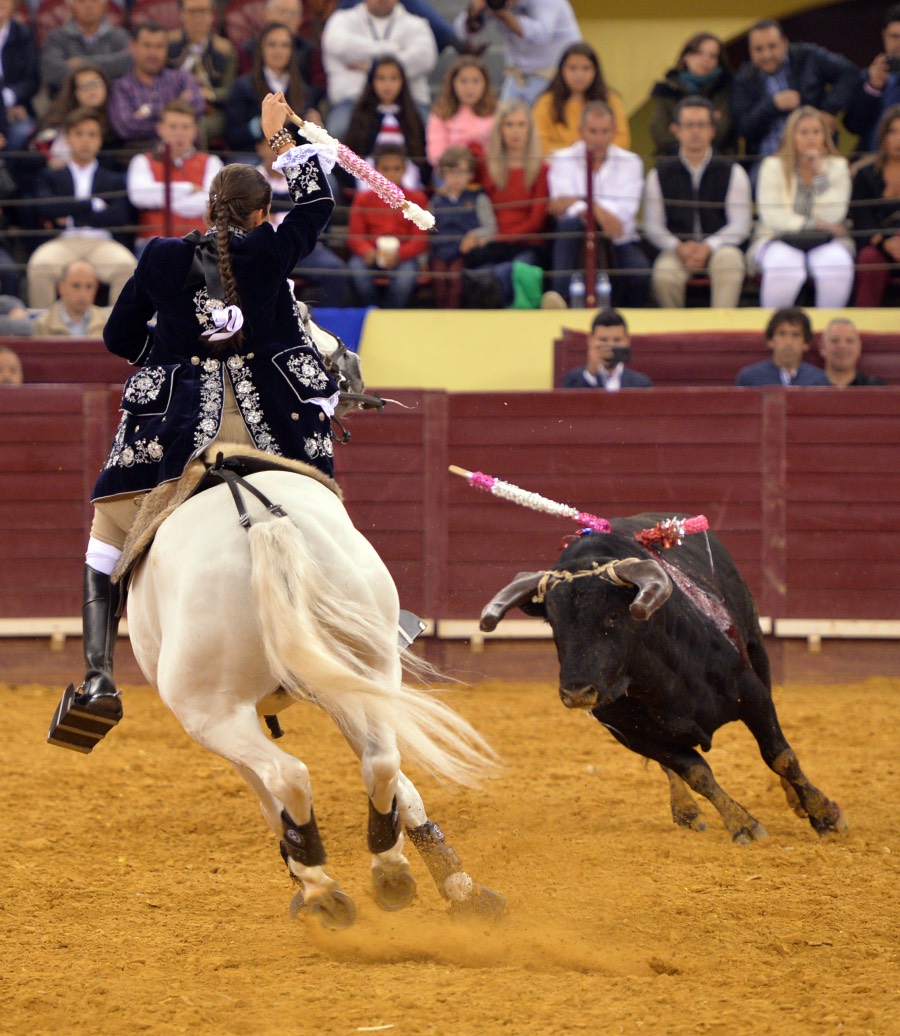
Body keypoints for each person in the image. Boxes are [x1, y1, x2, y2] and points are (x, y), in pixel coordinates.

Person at [52, 91, 341, 742]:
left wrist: (163, 350)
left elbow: (117, 337)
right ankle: (361, 613)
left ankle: (98, 677)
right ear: (261, 213)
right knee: (319, 486)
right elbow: (319, 204)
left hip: (179, 428)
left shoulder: (159, 257)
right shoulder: (270, 252)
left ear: (209, 208)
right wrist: (283, 140)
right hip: (267, 421)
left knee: (105, 541)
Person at [642, 96, 751, 309]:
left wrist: (708, 247)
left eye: (701, 125)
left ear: (712, 130)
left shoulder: (732, 171)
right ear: (676, 130)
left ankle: (721, 331)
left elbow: (740, 225)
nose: (695, 132)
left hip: (720, 247)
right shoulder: (659, 173)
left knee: (731, 262)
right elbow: (653, 225)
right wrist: (679, 247)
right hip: (677, 249)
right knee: (664, 275)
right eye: (689, 125)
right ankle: (677, 336)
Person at [26, 108, 136, 309]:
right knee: (39, 267)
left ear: (100, 140)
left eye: (92, 134)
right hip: (64, 242)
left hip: (101, 243)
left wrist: (71, 218)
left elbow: (119, 216)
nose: (86, 140)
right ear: (67, 137)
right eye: (79, 133)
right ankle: (45, 334)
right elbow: (46, 208)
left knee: (127, 267)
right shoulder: (51, 176)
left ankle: (117, 336)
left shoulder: (113, 178)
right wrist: (91, 204)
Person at [748, 106, 855, 309]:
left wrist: (819, 174)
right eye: (803, 132)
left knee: (836, 265)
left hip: (826, 240)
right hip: (776, 237)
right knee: (785, 266)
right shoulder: (772, 166)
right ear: (791, 136)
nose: (811, 138)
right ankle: (775, 331)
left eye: (816, 132)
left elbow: (833, 216)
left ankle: (828, 330)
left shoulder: (839, 167)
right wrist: (813, 223)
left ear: (825, 135)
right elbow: (772, 217)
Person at [548, 100, 649, 307]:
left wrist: (584, 201)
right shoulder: (561, 159)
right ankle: (560, 299)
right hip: (576, 234)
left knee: (639, 274)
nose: (598, 138)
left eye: (605, 131)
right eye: (593, 131)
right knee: (569, 225)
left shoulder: (631, 162)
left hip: (618, 237)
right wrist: (595, 209)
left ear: (614, 132)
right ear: (581, 131)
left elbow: (625, 213)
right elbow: (561, 205)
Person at [731, 20, 860, 174]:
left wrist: (828, 111)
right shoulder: (743, 78)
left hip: (818, 154)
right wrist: (772, 105)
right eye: (758, 49)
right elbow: (743, 128)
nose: (766, 55)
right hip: (768, 161)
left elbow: (850, 72)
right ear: (750, 51)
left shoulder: (808, 57)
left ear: (784, 43)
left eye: (772, 46)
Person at [321, 0, 437, 141]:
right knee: (336, 134)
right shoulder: (341, 19)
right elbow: (337, 44)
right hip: (353, 100)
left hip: (409, 101)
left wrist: (370, 67)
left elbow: (424, 58)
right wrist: (390, 49)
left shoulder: (416, 24)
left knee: (430, 135)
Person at [253, 135, 347, 306]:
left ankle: (323, 327)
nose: (275, 150)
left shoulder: (300, 178)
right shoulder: (250, 179)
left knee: (336, 270)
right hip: (263, 248)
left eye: (280, 144)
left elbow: (318, 213)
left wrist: (276, 217)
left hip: (302, 246)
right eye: (270, 144)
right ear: (259, 147)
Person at [471, 99, 549, 307]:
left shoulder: (541, 170)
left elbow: (536, 221)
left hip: (527, 244)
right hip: (493, 243)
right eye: (509, 124)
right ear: (500, 130)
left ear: (530, 130)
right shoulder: (487, 167)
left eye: (521, 125)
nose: (515, 131)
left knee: (507, 272)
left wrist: (499, 237)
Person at [127, 100, 224, 251]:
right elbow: (139, 197)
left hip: (201, 244)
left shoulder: (212, 162)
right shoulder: (142, 161)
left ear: (195, 130)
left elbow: (212, 203)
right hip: (154, 244)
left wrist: (164, 199)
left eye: (185, 127)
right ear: (160, 128)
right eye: (173, 127)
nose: (179, 133)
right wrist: (189, 188)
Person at [347, 142, 429, 308]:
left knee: (404, 280)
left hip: (403, 256)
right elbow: (355, 236)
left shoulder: (418, 199)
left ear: (405, 170)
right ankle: (373, 311)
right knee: (356, 269)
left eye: (396, 169)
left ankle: (390, 315)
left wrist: (399, 254)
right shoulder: (363, 199)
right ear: (376, 171)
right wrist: (366, 251)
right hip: (371, 254)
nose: (391, 174)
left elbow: (420, 240)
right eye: (386, 169)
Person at [453, 0, 581, 104]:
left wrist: (502, 15)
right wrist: (473, 13)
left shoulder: (548, 2)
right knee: (505, 123)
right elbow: (460, 34)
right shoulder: (495, 3)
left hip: (553, 77)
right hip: (517, 77)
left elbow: (541, 34)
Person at [108, 22, 205, 150]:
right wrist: (178, 111)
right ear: (133, 47)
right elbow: (126, 127)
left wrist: (148, 111)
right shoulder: (120, 86)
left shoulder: (182, 78)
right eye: (147, 46)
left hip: (186, 156)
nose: (153, 53)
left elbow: (197, 106)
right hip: (139, 156)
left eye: (159, 46)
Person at [225, 21, 315, 155]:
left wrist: (312, 128)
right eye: (272, 45)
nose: (278, 51)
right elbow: (232, 136)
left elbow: (307, 146)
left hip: (294, 157)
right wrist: (263, 124)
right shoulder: (242, 87)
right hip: (253, 157)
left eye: (285, 45)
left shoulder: (303, 91)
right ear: (261, 49)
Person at [343, 56, 428, 191]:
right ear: (372, 81)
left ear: (402, 81)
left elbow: (419, 151)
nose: (387, 84)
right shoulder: (362, 114)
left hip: (404, 167)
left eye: (393, 78)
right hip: (371, 167)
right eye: (381, 78)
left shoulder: (411, 115)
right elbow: (353, 151)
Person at [533, 42, 630, 156]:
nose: (579, 75)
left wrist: (595, 152)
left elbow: (623, 139)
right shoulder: (546, 102)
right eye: (572, 68)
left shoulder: (610, 99)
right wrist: (576, 152)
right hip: (561, 165)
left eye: (586, 68)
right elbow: (539, 143)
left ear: (595, 71)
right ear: (562, 70)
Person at [429, 145, 496, 308]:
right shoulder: (435, 201)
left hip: (463, 251)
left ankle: (453, 316)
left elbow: (491, 228)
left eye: (461, 172)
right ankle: (440, 316)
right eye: (451, 173)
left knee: (455, 278)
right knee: (438, 278)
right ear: (442, 175)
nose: (456, 178)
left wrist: (475, 235)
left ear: (471, 174)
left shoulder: (478, 198)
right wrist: (423, 256)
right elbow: (426, 230)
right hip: (439, 251)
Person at [649, 32, 736, 157]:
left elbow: (723, 131)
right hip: (672, 160)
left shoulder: (726, 89)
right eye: (699, 53)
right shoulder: (667, 90)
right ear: (686, 56)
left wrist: (681, 129)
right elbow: (660, 133)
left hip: (719, 161)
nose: (706, 60)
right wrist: (707, 124)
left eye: (713, 56)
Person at [167, 0, 239, 146]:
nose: (198, 17)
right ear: (181, 14)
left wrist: (209, 94)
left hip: (210, 111)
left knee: (195, 127)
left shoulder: (225, 50)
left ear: (212, 15)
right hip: (174, 107)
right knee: (177, 122)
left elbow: (230, 92)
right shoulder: (169, 44)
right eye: (192, 12)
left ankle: (199, 166)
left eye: (203, 11)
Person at [851, 104, 900, 307]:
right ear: (883, 138)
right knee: (869, 257)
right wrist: (886, 243)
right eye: (893, 132)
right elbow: (862, 221)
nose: (899, 138)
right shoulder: (866, 174)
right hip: (878, 245)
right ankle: (863, 326)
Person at [33, 65, 121, 171]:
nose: (92, 90)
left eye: (96, 83)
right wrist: (49, 161)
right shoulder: (58, 116)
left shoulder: (118, 115)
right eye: (85, 86)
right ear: (75, 93)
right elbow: (38, 145)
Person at [40, 0, 131, 101]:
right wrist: (108, 67)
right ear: (71, 7)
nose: (88, 5)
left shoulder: (120, 35)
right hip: (69, 105)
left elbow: (128, 64)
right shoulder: (56, 37)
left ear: (104, 5)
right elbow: (52, 73)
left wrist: (81, 63)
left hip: (112, 103)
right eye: (81, 1)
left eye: (94, 1)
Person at [844, 4, 900, 155]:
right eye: (894, 36)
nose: (899, 44)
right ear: (884, 36)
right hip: (872, 167)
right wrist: (872, 88)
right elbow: (852, 127)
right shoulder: (867, 78)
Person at [426, 55, 496, 170]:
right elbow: (435, 154)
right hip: (450, 173)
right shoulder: (441, 113)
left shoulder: (496, 111)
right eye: (463, 81)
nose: (469, 87)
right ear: (452, 83)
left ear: (485, 83)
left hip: (488, 171)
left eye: (476, 81)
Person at [734, 306, 829, 386]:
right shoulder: (749, 378)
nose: (788, 342)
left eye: (795, 335)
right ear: (770, 341)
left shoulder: (820, 381)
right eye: (782, 334)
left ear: (806, 344)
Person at [561, 307, 652, 389]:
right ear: (590, 340)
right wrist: (591, 374)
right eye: (603, 340)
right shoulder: (571, 380)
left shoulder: (641, 384)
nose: (610, 345)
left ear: (627, 341)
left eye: (617, 340)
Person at [32, 258, 111, 336]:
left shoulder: (107, 324)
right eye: (76, 286)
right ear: (61, 288)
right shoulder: (42, 325)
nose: (83, 294)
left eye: (89, 286)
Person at [0, 0, 39, 153]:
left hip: (18, 108)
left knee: (23, 132)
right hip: (9, 109)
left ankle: (8, 175)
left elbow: (32, 81)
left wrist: (6, 101)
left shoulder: (24, 34)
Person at [818, 317, 887, 386]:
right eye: (835, 340)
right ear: (823, 348)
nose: (842, 346)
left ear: (859, 348)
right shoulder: (809, 386)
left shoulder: (875, 388)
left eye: (849, 341)